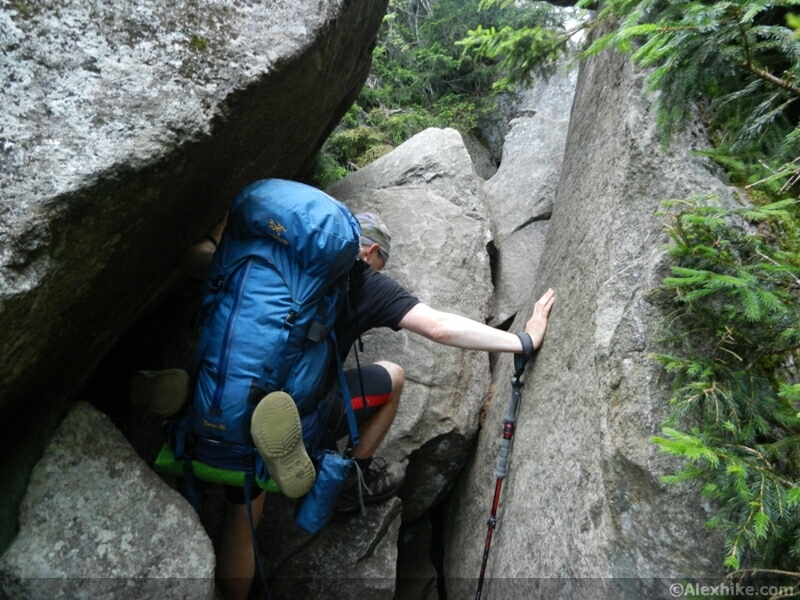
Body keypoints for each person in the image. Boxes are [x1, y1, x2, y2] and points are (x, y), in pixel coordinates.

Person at [135, 209, 555, 600]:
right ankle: (351, 477)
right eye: (379, 263)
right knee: (393, 375)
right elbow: (440, 328)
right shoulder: (366, 282)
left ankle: (189, 406)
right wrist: (522, 340)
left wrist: (219, 232)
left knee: (240, 518)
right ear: (371, 251)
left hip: (225, 391)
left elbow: (196, 259)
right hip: (291, 411)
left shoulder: (271, 254)